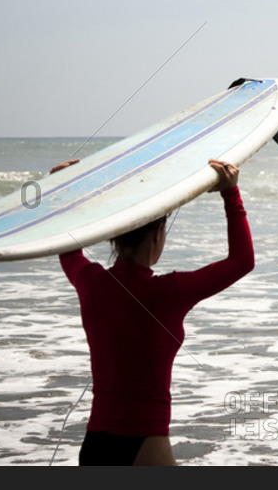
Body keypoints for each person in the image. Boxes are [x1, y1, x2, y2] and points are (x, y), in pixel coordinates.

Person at [53, 157, 253, 465]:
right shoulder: (168, 292)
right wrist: (231, 193)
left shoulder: (90, 283)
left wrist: (63, 194)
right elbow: (242, 261)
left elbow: (67, 248)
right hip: (144, 442)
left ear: (115, 236)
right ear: (158, 235)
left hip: (95, 445)